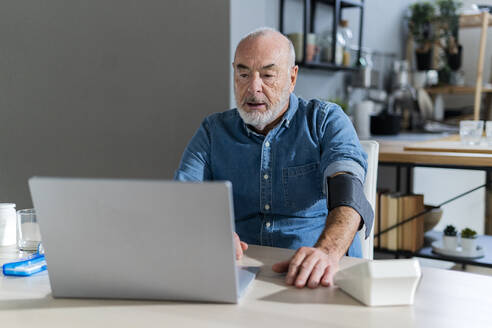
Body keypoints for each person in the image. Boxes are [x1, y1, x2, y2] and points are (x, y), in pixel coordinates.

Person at [174, 27, 373, 289]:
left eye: (267, 75)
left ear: (292, 78)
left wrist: (327, 252)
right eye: (243, 74)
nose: (253, 88)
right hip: (240, 274)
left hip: (321, 276)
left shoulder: (325, 121)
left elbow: (349, 196)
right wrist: (207, 231)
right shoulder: (213, 131)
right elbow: (182, 199)